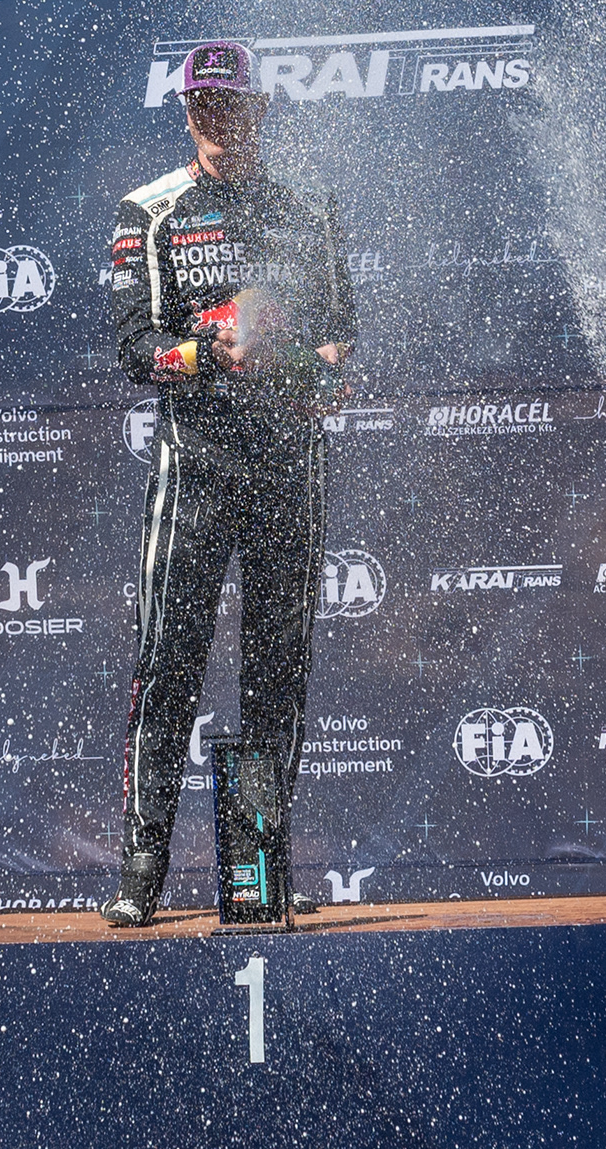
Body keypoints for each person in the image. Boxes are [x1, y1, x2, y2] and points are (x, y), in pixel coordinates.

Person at [100, 41, 357, 926]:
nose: (219, 120)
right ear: (186, 112)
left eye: (232, 105)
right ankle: (141, 868)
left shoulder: (309, 209)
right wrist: (209, 349)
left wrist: (299, 361)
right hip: (197, 464)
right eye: (204, 106)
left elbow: (340, 339)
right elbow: (136, 350)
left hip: (287, 463)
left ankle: (260, 869)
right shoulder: (149, 211)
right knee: (168, 659)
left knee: (277, 667)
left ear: (260, 108)